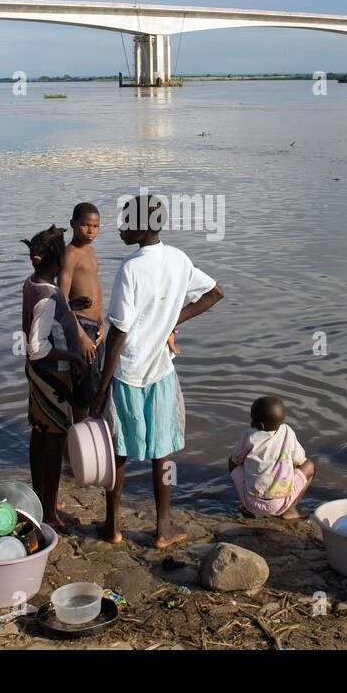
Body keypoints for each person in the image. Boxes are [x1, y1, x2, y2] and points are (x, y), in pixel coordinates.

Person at [89, 193, 224, 548]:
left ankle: (112, 526)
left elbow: (118, 331)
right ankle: (163, 527)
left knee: (118, 449)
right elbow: (213, 293)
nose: (119, 227)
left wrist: (102, 386)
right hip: (161, 371)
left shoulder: (131, 269)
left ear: (143, 227)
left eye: (125, 222)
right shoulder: (178, 259)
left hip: (128, 370)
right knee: (161, 450)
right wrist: (170, 322)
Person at [21, 225, 85, 530]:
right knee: (54, 439)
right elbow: (37, 346)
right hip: (52, 378)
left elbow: (41, 321)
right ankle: (48, 512)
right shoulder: (47, 294)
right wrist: (73, 357)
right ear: (58, 260)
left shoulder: (33, 283)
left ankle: (39, 498)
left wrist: (68, 307)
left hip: (39, 376)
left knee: (40, 434)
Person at [227, 396, 315, 520]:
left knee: (232, 463)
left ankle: (246, 509)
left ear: (261, 425)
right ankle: (289, 511)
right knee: (309, 466)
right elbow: (301, 460)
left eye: (253, 419)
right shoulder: (288, 433)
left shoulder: (250, 436)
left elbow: (236, 460)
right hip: (279, 505)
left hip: (251, 502)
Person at [59, 202, 104, 407]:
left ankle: (92, 434)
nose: (90, 230)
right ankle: (81, 434)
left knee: (96, 382)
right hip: (80, 326)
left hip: (95, 327)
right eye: (85, 225)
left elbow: (93, 288)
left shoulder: (91, 252)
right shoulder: (70, 254)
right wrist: (81, 337)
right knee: (83, 391)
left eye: (95, 226)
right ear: (73, 224)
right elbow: (62, 299)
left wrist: (102, 322)